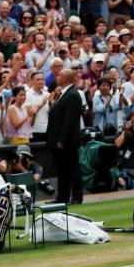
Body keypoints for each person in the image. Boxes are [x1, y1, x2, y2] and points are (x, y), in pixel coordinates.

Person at [46, 68, 84, 204]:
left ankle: (77, 197)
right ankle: (62, 196)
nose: (57, 76)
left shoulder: (73, 94)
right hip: (57, 139)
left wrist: (62, 139)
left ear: (67, 78)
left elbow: (70, 120)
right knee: (62, 170)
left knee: (72, 168)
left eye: (60, 75)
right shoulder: (62, 93)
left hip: (67, 141)